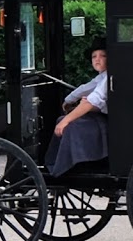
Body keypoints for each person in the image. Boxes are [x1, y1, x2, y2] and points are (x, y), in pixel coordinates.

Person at [43, 38, 108, 176]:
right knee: (63, 119)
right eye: (94, 56)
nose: (97, 59)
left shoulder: (109, 78)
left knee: (70, 124)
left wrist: (66, 120)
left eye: (103, 56)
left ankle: (72, 165)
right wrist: (69, 100)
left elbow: (93, 101)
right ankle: (57, 163)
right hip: (104, 118)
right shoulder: (102, 77)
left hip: (109, 123)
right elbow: (85, 88)